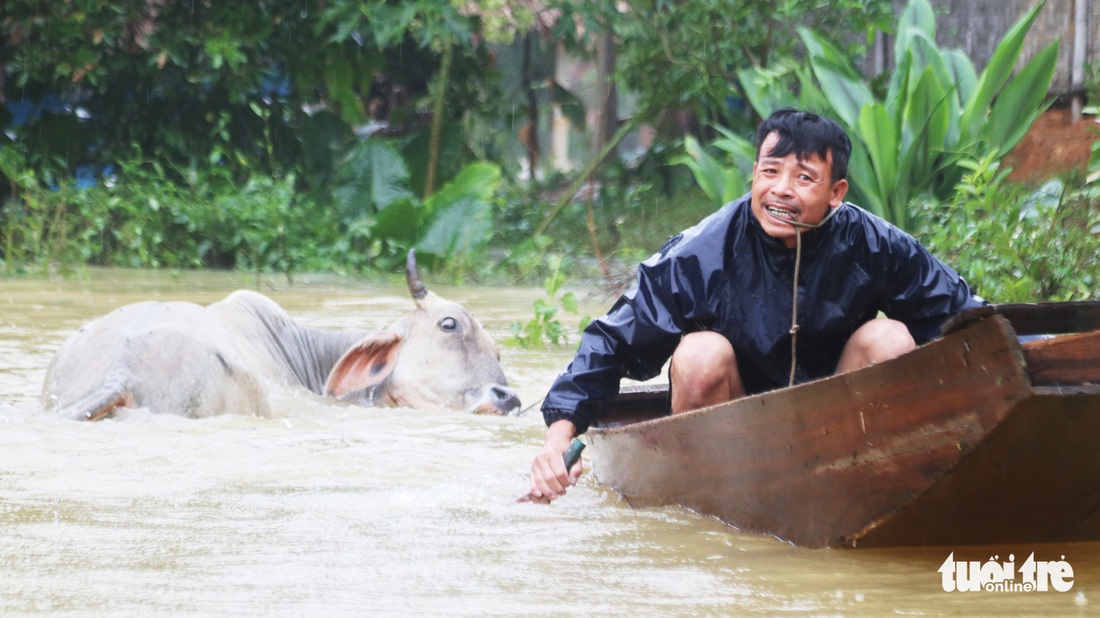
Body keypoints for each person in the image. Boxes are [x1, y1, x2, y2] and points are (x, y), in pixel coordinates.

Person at [527, 108, 986, 503]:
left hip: (836, 429)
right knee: (699, 353)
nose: (781, 190)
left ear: (837, 193)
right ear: (754, 175)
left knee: (889, 338)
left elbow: (965, 319)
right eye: (770, 172)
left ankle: (873, 488)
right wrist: (557, 441)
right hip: (733, 437)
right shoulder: (703, 251)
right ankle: (700, 509)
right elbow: (613, 340)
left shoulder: (876, 244)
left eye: (804, 178)